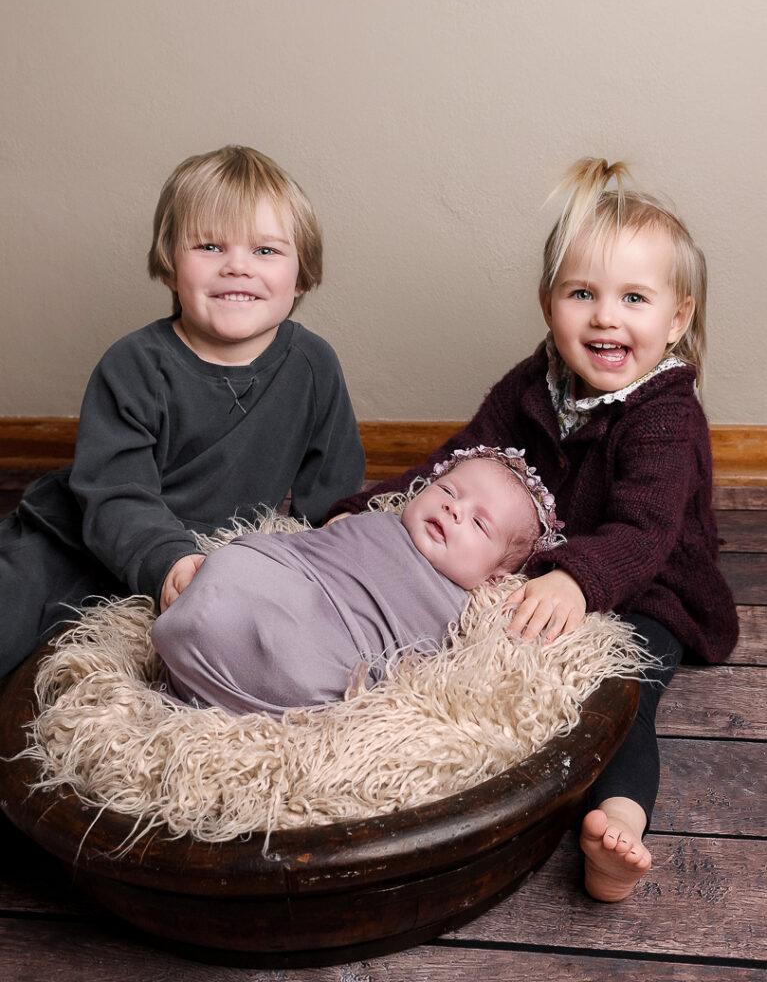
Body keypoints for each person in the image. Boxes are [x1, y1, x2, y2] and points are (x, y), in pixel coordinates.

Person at [327, 158, 739, 902]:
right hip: (544, 566)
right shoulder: (534, 382)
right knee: (458, 632)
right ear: (548, 303)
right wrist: (371, 505)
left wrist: (580, 581)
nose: (605, 317)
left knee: (615, 689)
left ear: (675, 318)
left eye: (633, 298)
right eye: (581, 293)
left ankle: (616, 826)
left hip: (650, 586)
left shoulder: (665, 415)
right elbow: (459, 460)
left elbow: (645, 532)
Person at [0, 145, 365, 679]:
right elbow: (115, 494)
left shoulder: (313, 365)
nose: (237, 265)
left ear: (302, 276)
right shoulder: (134, 364)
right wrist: (168, 558)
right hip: (79, 535)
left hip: (204, 549)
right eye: (210, 245)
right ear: (171, 266)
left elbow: (331, 491)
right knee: (14, 606)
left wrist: (334, 544)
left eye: (265, 251)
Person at [151, 447, 562, 717]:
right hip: (288, 581)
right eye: (448, 490)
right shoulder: (374, 520)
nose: (454, 509)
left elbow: (413, 675)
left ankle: (209, 662)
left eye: (477, 522)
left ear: (495, 577)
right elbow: (300, 548)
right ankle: (203, 633)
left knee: (306, 667)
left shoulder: (458, 605)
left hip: (324, 647)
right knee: (235, 563)